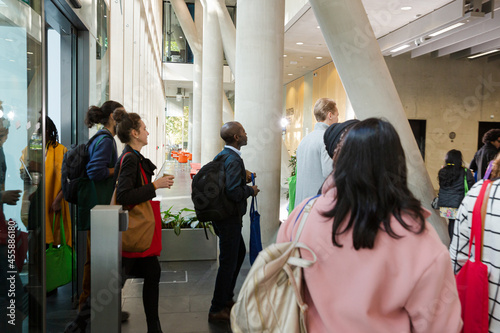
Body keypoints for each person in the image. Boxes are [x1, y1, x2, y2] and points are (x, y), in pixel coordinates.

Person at [278, 118, 462, 333]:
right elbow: (441, 326)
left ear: (341, 159)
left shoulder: (302, 216)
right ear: (398, 164)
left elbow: (282, 281)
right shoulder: (420, 240)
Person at [65, 100, 125, 333]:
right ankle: (84, 314)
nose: (122, 119)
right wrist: (118, 168)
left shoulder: (102, 138)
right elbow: (95, 171)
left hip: (97, 208)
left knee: (96, 261)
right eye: (120, 115)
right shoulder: (106, 140)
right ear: (111, 117)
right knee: (95, 262)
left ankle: (95, 309)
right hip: (98, 209)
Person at [113, 110, 174, 333]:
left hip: (132, 230)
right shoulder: (130, 159)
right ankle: (152, 327)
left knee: (146, 273)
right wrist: (155, 186)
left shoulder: (130, 156)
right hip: (133, 229)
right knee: (147, 273)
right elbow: (124, 197)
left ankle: (152, 326)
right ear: (134, 133)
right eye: (145, 128)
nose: (148, 132)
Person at [208, 121, 259, 323]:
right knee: (229, 262)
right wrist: (251, 190)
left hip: (222, 216)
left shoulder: (223, 156)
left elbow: (227, 186)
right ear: (237, 138)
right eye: (243, 132)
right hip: (229, 219)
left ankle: (226, 298)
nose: (246, 134)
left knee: (237, 255)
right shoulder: (234, 160)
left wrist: (242, 181)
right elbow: (233, 192)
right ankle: (217, 308)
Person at [450, 152, 500, 331]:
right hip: (457, 201)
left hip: (484, 315)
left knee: (454, 226)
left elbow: (456, 260)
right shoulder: (465, 173)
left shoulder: (480, 191)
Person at [294, 98, 338, 207]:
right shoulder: (327, 139)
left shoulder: (304, 140)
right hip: (317, 206)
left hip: (302, 205)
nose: (338, 119)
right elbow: (330, 174)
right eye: (337, 115)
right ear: (330, 115)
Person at [43, 117, 71, 248]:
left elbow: (68, 179)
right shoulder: (31, 150)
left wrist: (57, 200)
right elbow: (24, 176)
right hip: (38, 205)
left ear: (47, 130)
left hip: (54, 203)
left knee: (53, 243)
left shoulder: (61, 150)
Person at [436, 149, 474, 242]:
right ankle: (457, 244)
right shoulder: (465, 172)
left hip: (446, 203)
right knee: (461, 224)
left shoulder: (442, 171)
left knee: (452, 223)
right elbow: (472, 187)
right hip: (460, 203)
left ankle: (452, 243)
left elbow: (442, 185)